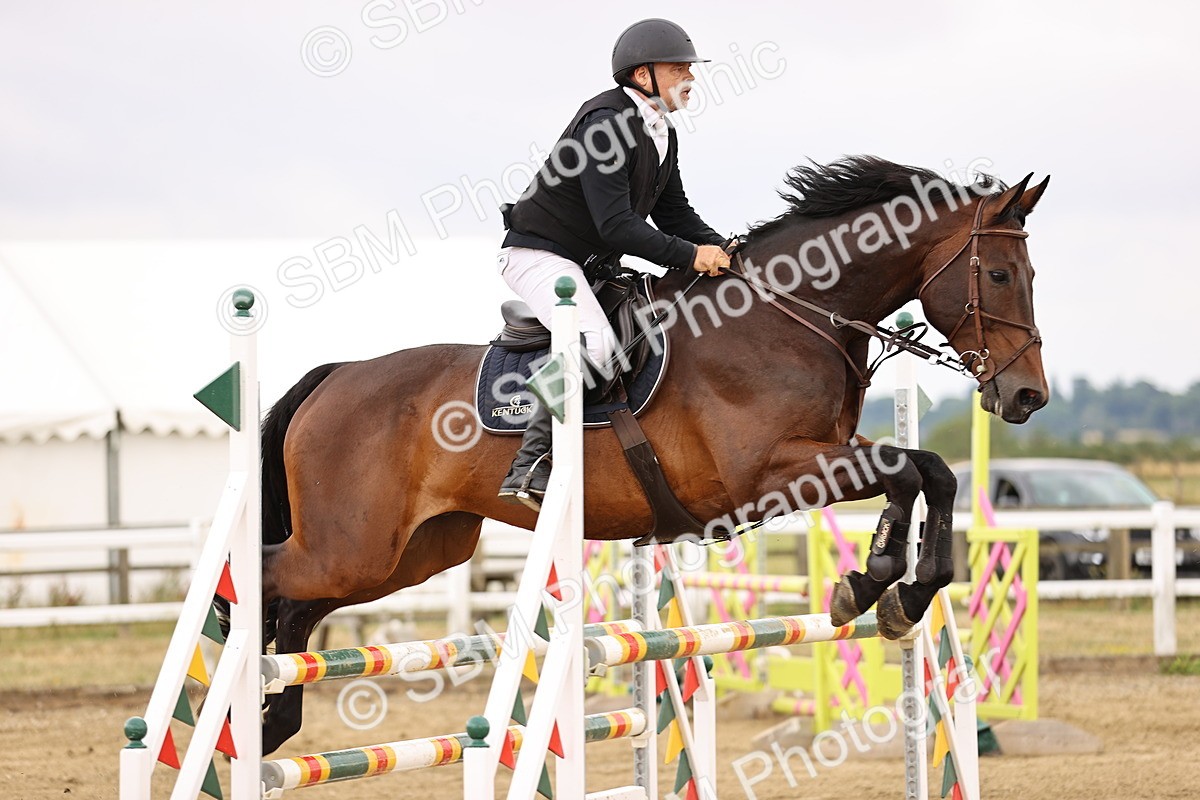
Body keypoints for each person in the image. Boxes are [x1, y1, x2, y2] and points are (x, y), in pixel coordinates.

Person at [496, 18, 731, 511]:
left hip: (588, 264)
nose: (690, 77)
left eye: (689, 67)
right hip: (540, 255)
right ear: (642, 75)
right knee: (596, 342)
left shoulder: (661, 131)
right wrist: (691, 256)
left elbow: (674, 214)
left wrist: (728, 250)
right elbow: (617, 227)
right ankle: (532, 462)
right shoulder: (605, 124)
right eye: (678, 68)